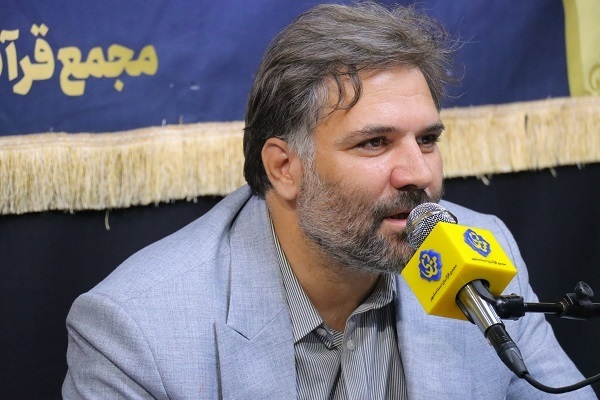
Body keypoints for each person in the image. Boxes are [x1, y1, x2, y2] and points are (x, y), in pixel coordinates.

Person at [63, 2, 597, 399]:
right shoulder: (137, 329)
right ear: (284, 168)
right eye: (375, 143)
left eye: (427, 140)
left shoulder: (483, 252)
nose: (419, 174)